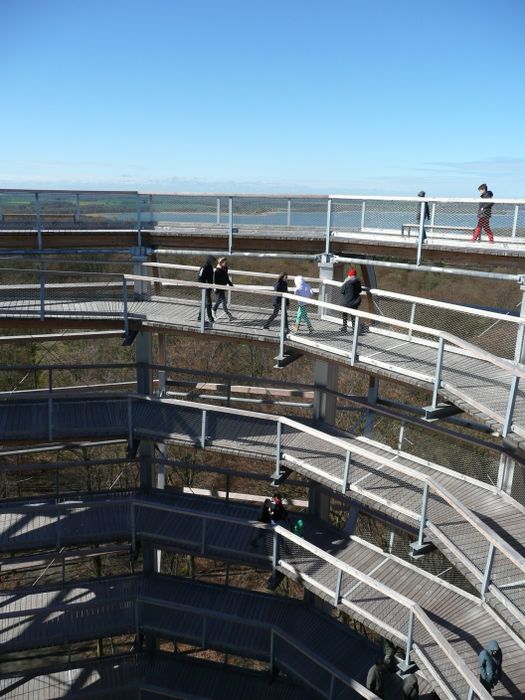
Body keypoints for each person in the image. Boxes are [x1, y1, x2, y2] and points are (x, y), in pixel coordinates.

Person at [340, 268, 362, 333]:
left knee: (344, 314)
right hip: (354, 302)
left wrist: (345, 282)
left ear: (349, 275)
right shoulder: (358, 282)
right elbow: (359, 290)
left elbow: (342, 291)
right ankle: (354, 329)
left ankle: (344, 327)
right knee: (353, 316)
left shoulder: (347, 282)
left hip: (346, 303)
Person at [196, 255, 217, 323]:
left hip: (208, 287)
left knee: (206, 302)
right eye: (213, 261)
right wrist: (204, 285)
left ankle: (201, 317)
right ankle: (209, 318)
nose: (213, 262)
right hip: (204, 287)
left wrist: (211, 285)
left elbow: (210, 277)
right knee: (208, 303)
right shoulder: (204, 267)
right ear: (209, 260)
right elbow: (200, 278)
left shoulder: (210, 267)